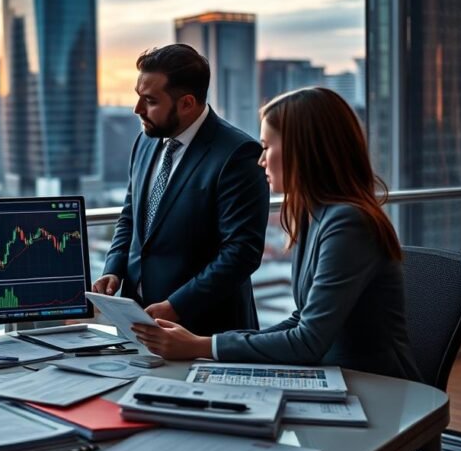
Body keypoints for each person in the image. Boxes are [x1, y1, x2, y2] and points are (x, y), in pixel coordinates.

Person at [132, 87, 421, 381]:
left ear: (303, 150)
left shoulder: (349, 223)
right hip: (335, 376)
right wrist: (205, 344)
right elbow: (302, 320)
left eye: (267, 147)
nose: (261, 160)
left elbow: (307, 341)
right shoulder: (314, 214)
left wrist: (201, 345)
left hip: (377, 386)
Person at [95, 44, 270, 335]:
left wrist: (178, 305)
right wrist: (113, 269)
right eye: (138, 96)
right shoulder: (146, 141)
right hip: (136, 324)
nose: (137, 109)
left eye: (149, 100)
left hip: (205, 328)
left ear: (187, 103)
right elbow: (130, 217)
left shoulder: (238, 154)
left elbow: (241, 254)